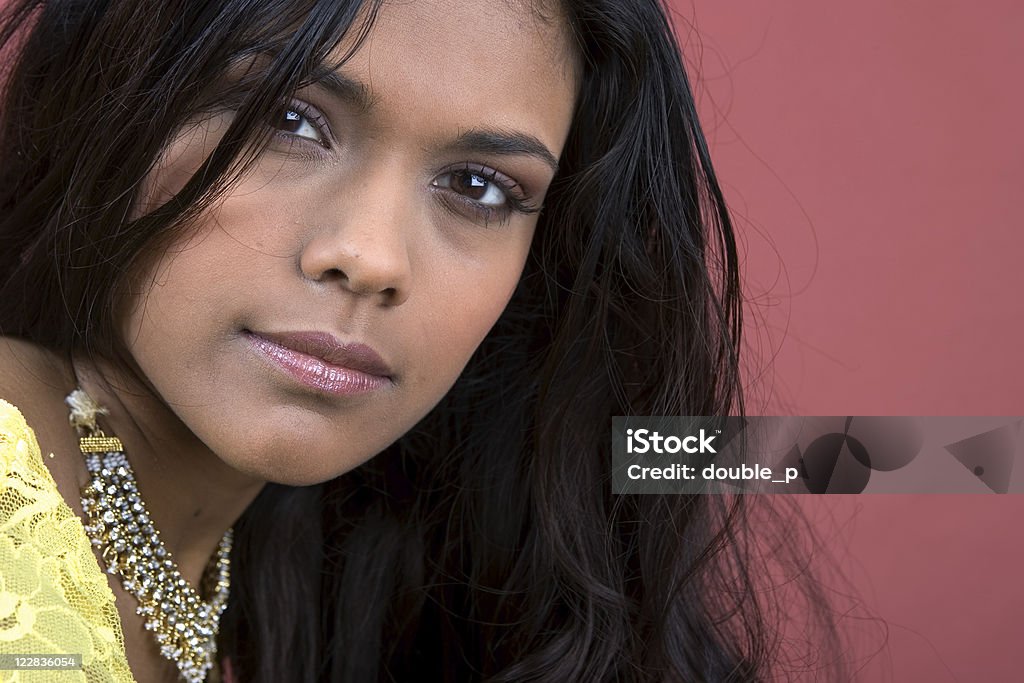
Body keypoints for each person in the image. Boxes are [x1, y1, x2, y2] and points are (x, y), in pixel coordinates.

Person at [0, 0, 848, 681]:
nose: (372, 257)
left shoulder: (247, 594)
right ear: (116, 89)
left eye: (478, 187)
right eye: (292, 119)